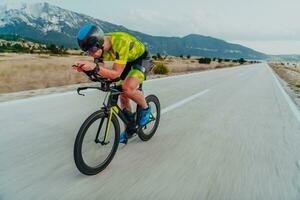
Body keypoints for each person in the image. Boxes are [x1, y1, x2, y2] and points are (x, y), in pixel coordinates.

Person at [74, 24, 151, 143]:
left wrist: (94, 66)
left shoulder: (121, 42)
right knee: (121, 94)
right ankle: (130, 128)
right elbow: (100, 70)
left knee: (127, 88)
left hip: (141, 59)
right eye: (87, 52)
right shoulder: (98, 49)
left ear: (100, 43)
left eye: (93, 50)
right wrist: (87, 70)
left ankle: (146, 109)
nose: (91, 54)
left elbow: (115, 74)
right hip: (127, 61)